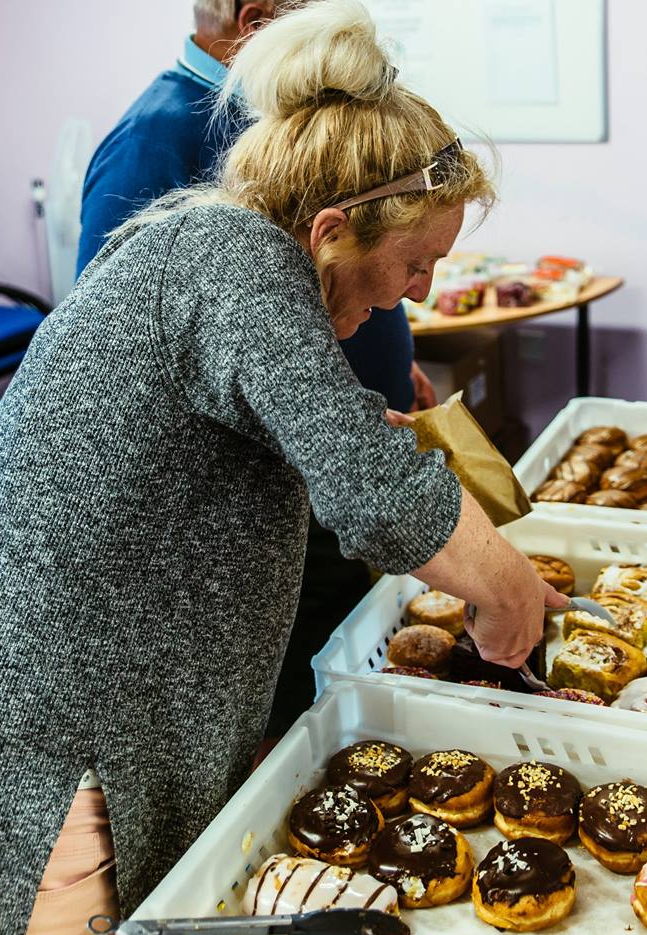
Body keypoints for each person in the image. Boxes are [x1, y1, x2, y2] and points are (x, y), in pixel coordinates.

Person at [0, 1, 564, 935]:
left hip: (95, 723)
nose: (415, 292)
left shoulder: (216, 248)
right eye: (415, 263)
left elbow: (215, 436)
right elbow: (376, 495)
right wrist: (508, 591)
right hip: (41, 757)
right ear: (332, 230)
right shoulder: (233, 259)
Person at [77, 0, 435, 740]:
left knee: (341, 648)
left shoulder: (271, 118)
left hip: (335, 449)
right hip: (278, 473)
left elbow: (347, 252)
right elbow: (118, 344)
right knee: (293, 693)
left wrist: (400, 360)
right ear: (259, 16)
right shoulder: (159, 136)